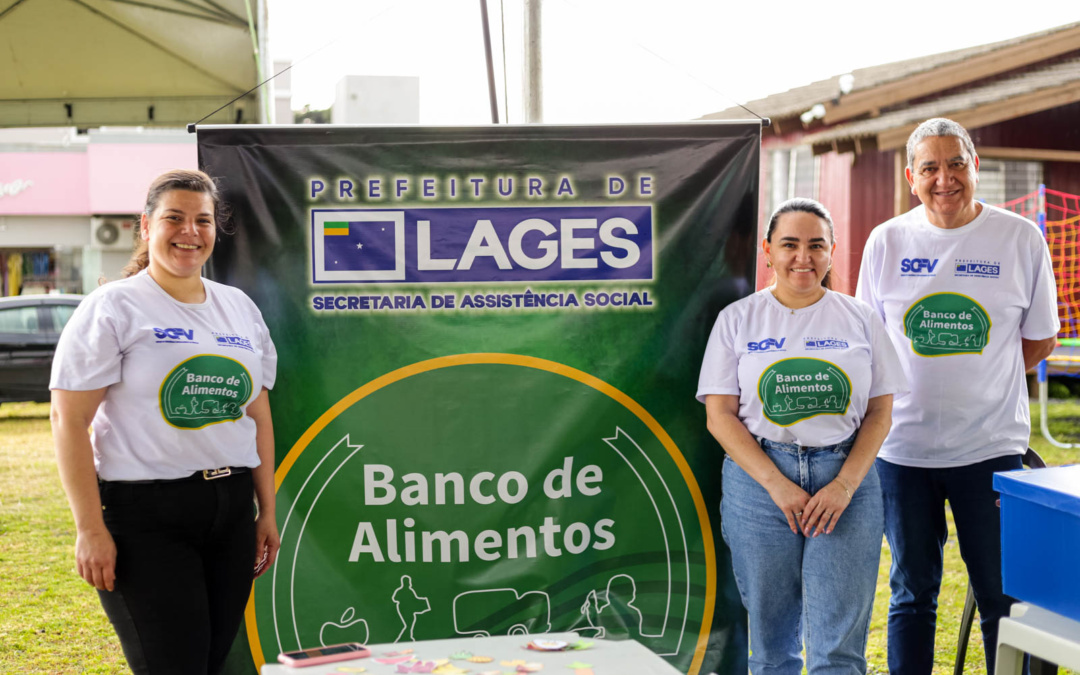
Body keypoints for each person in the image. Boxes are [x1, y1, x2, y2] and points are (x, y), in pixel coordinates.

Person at [50, 169, 281, 675]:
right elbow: (69, 421)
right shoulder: (113, 307)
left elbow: (257, 414)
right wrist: (89, 529)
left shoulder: (238, 308)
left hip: (231, 512)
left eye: (202, 220)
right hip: (145, 518)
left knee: (212, 660)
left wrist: (265, 508)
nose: (189, 232)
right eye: (174, 218)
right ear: (145, 225)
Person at [855, 118, 1059, 674]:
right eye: (930, 168)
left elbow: (1040, 337)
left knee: (1001, 596)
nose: (944, 178)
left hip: (990, 449)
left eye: (956, 164)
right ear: (911, 177)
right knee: (911, 592)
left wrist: (985, 377)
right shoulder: (887, 240)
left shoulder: (1020, 238)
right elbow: (867, 342)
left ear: (975, 167)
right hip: (903, 451)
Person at [698, 198, 907, 673]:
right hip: (759, 484)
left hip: (846, 478)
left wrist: (844, 485)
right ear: (767, 251)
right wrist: (777, 485)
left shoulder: (860, 318)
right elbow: (720, 416)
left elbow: (880, 412)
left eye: (816, 245)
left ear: (832, 251)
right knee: (771, 647)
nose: (803, 257)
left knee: (838, 646)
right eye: (790, 244)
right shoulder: (738, 319)